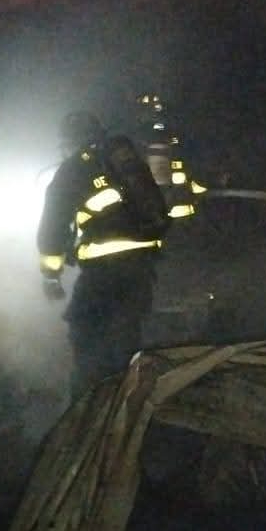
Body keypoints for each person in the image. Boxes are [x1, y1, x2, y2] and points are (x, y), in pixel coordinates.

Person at [37, 111, 171, 398]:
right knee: (129, 340)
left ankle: (90, 415)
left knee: (87, 340)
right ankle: (133, 404)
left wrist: (51, 276)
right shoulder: (124, 160)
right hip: (142, 269)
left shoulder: (72, 170)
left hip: (102, 272)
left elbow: (53, 228)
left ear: (69, 140)